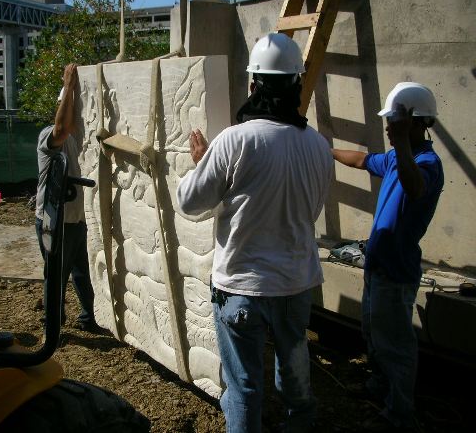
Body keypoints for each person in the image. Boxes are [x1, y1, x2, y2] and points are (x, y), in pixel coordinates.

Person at [177, 33, 333, 433]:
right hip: (296, 284)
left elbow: (191, 202)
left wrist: (202, 164)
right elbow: (309, 211)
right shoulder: (318, 146)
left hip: (242, 288)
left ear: (252, 85)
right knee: (296, 383)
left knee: (244, 389)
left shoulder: (234, 141)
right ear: (297, 85)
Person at [332, 82, 444, 431]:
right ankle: (378, 387)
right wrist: (325, 149)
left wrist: (399, 144)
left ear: (415, 121)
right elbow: (364, 160)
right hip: (377, 267)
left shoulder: (427, 163)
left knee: (395, 345)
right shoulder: (397, 157)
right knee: (373, 333)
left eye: (393, 120)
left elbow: (415, 187)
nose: (387, 127)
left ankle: (398, 413)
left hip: (396, 272)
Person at [35, 63, 99, 333]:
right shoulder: (50, 136)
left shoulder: (81, 139)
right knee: (56, 275)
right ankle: (52, 325)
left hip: (77, 219)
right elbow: (62, 128)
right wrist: (68, 87)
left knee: (84, 272)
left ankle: (89, 317)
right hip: (54, 220)